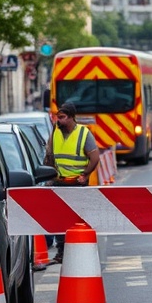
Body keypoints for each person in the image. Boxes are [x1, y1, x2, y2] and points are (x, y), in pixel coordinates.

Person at [43, 102, 99, 264]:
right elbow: (50, 155)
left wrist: (85, 174)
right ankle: (62, 250)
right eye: (56, 117)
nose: (58, 121)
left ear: (72, 118)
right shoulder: (56, 132)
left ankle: (80, 248)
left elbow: (94, 157)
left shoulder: (83, 133)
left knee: (76, 219)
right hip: (59, 183)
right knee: (59, 219)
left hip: (76, 184)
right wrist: (48, 176)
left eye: (62, 118)